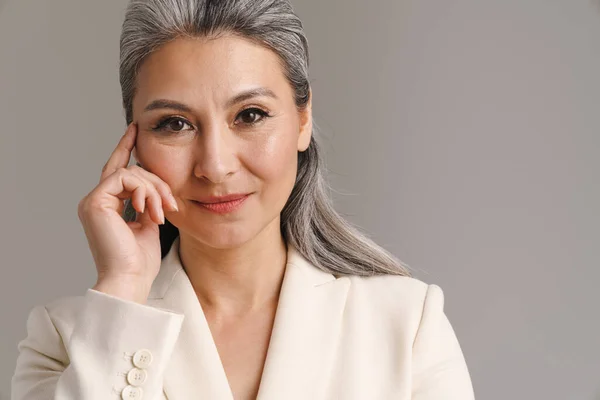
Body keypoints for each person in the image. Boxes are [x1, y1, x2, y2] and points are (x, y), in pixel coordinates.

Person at [11, 0, 475, 399]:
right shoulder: (66, 339)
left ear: (303, 119)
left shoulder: (406, 324)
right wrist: (124, 287)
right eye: (174, 124)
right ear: (134, 143)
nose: (215, 165)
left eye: (250, 115)